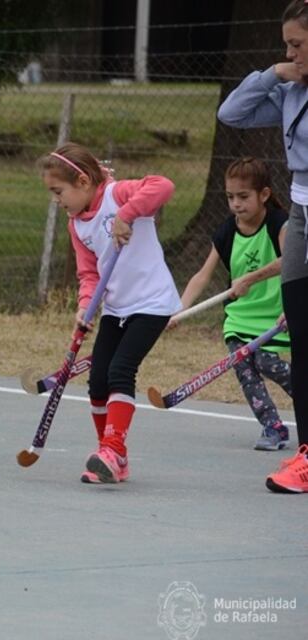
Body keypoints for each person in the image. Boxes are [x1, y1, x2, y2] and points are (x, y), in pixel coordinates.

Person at [39, 142, 181, 485]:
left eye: (59, 192)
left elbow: (163, 185)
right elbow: (89, 273)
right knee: (98, 378)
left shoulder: (118, 194)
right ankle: (112, 454)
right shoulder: (77, 225)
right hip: (115, 307)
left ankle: (113, 449)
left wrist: (126, 215)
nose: (57, 201)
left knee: (121, 369)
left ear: (84, 181)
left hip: (151, 303)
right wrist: (85, 307)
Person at [217, 0, 308, 493]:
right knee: (302, 340)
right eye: (285, 45)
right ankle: (307, 455)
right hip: (301, 212)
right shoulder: (291, 88)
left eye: (297, 44)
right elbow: (231, 112)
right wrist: (274, 71)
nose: (290, 52)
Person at [175, 158, 292, 451]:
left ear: (263, 195)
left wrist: (251, 278)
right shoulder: (227, 231)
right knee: (244, 368)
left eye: (244, 197)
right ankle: (273, 427)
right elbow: (203, 275)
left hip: (274, 312)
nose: (236, 204)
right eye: (230, 197)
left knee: (267, 362)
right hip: (240, 316)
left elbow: (290, 261)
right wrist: (180, 309)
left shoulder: (279, 223)